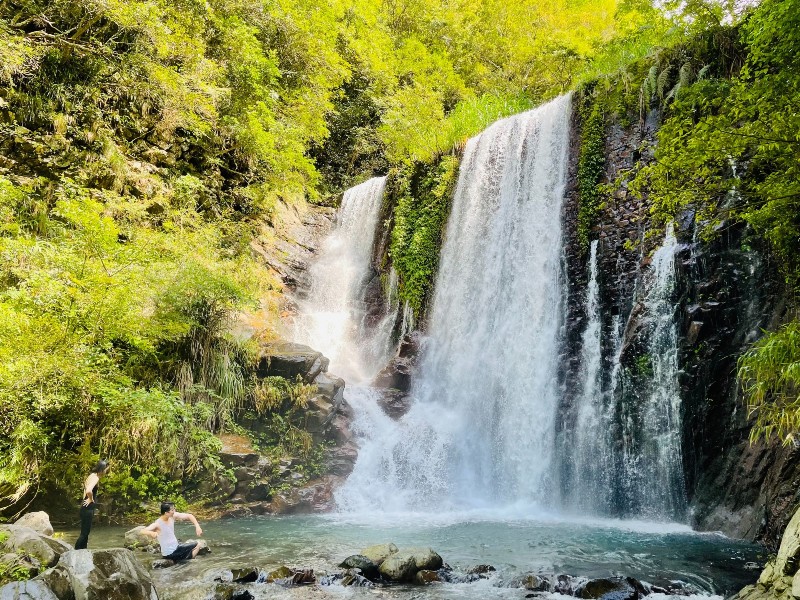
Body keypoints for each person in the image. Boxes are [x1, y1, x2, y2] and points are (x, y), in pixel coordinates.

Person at [74, 459, 109, 550]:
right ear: (102, 469)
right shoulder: (96, 477)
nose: (106, 471)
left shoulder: (91, 475)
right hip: (88, 507)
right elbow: (89, 490)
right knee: (84, 533)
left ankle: (82, 552)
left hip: (85, 506)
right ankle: (75, 553)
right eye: (106, 469)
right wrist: (91, 499)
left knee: (84, 533)